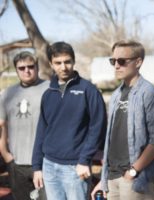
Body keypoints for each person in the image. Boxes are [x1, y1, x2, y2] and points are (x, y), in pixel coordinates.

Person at [91, 40, 154, 200]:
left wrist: (133, 171)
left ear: (138, 62)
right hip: (112, 177)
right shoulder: (115, 95)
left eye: (121, 61)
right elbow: (111, 140)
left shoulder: (149, 93)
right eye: (113, 61)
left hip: (135, 179)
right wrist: (103, 179)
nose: (116, 66)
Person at [32, 41, 107, 200]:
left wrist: (84, 160)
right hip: (49, 165)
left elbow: (98, 127)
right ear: (51, 64)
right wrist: (37, 166)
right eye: (58, 63)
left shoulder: (89, 90)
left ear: (73, 62)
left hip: (75, 167)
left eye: (67, 62)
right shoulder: (48, 94)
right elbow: (42, 131)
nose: (63, 67)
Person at [0, 51, 48, 200]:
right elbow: (2, 126)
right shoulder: (7, 94)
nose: (27, 70)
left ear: (37, 67)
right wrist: (6, 154)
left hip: (45, 163)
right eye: (21, 68)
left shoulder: (50, 89)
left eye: (30, 66)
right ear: (16, 70)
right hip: (17, 164)